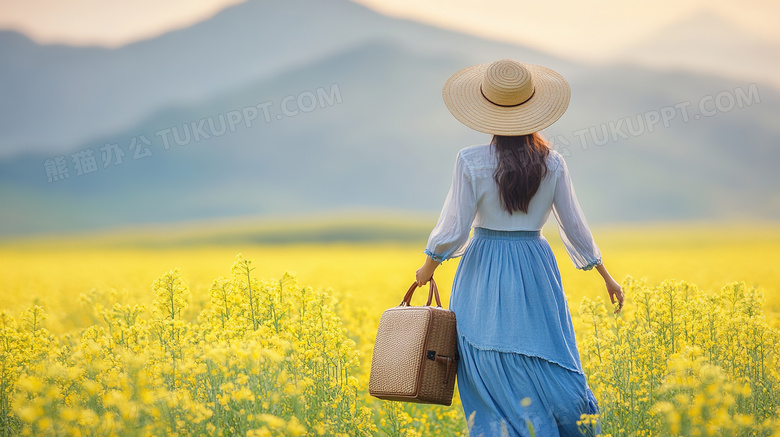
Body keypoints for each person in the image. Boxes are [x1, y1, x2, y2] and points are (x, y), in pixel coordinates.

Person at [414, 58, 624, 437]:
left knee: (484, 358)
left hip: (483, 265)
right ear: (533, 109)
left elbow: (454, 226)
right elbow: (573, 225)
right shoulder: (553, 162)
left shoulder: (470, 160)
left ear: (486, 112)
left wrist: (428, 267)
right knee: (547, 352)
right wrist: (604, 274)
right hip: (534, 265)